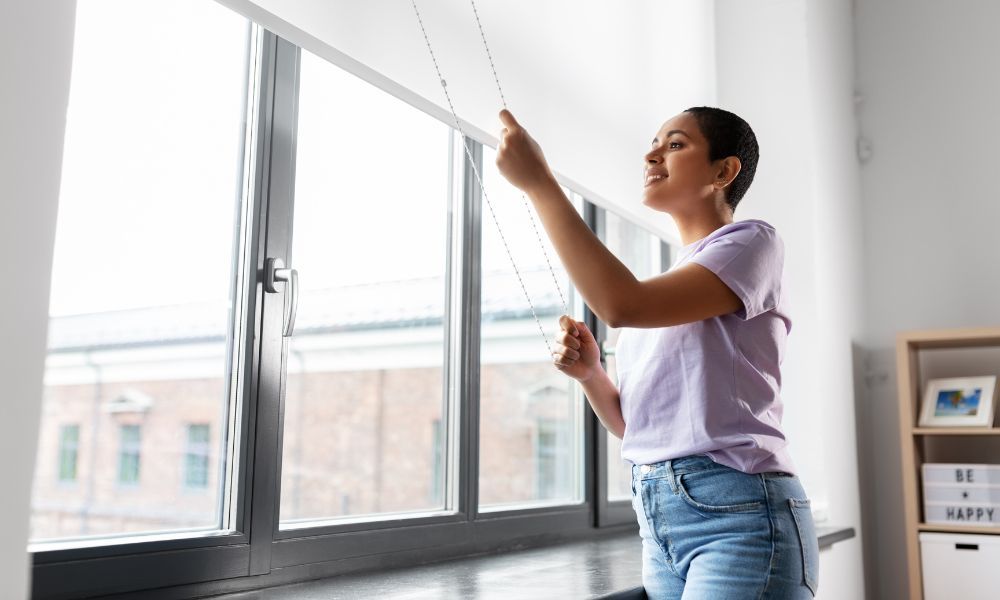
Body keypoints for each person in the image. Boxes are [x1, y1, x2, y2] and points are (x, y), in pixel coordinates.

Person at [495, 106, 819, 599]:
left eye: (674, 144)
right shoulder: (673, 288)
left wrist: (539, 182)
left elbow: (621, 304)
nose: (651, 154)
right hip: (660, 522)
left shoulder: (752, 243)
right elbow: (640, 427)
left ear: (723, 171)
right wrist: (591, 375)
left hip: (741, 516)